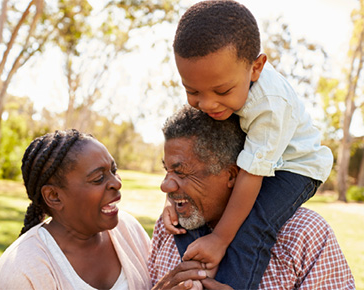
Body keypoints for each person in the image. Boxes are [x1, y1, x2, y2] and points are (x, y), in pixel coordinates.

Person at [163, 1, 334, 289]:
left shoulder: (269, 106)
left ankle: (232, 284)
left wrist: (220, 239)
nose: (206, 104)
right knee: (196, 217)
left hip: (295, 167)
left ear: (256, 68)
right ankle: (198, 278)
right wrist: (176, 197)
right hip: (256, 161)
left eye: (221, 91)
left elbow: (251, 176)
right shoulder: (223, 87)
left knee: (254, 225)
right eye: (192, 91)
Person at [150, 105, 355, 289]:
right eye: (166, 170)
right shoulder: (168, 226)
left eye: (181, 172)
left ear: (232, 174)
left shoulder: (304, 234)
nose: (164, 185)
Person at [0, 129, 151, 289]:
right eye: (98, 178)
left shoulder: (129, 228)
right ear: (54, 196)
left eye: (113, 171)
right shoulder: (21, 270)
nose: (117, 183)